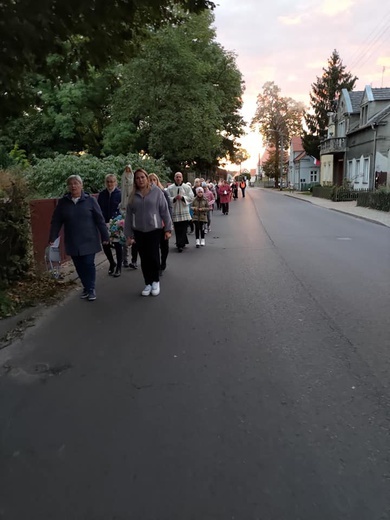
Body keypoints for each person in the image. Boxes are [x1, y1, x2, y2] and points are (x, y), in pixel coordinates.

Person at [49, 175, 109, 301]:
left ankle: (91, 288)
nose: (73, 186)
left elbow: (100, 219)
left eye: (76, 183)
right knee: (79, 266)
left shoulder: (90, 200)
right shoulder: (63, 203)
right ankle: (86, 287)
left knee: (88, 263)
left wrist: (105, 236)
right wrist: (53, 237)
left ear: (81, 185)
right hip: (73, 239)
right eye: (70, 184)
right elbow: (56, 221)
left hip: (89, 239)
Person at [124, 169, 172, 297]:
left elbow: (164, 210)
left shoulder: (157, 192)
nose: (140, 180)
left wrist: (168, 228)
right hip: (139, 231)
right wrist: (128, 234)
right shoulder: (133, 195)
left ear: (146, 178)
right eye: (138, 178)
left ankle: (156, 281)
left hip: (154, 229)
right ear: (135, 180)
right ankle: (148, 282)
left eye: (142, 177)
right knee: (144, 258)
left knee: (153, 256)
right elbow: (128, 216)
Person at [97, 174, 122, 277]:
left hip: (116, 223)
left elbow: (122, 209)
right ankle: (112, 263)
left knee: (117, 245)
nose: (110, 183)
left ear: (115, 182)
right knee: (105, 244)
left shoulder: (120, 194)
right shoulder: (102, 194)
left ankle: (119, 267)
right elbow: (98, 209)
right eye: (108, 181)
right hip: (104, 223)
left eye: (112, 181)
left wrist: (117, 219)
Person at [149, 173, 173, 276]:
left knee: (164, 246)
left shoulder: (163, 192)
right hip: (152, 225)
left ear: (157, 181)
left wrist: (169, 223)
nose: (152, 182)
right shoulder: (146, 194)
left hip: (163, 224)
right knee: (154, 247)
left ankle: (163, 263)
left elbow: (168, 208)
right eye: (150, 180)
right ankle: (157, 266)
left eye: (154, 180)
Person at [166, 172, 194, 252]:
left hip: (184, 210)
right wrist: (174, 198)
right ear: (174, 178)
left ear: (182, 178)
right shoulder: (170, 188)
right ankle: (179, 244)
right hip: (175, 211)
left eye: (180, 177)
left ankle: (181, 243)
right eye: (177, 177)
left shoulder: (187, 187)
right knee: (178, 229)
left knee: (184, 229)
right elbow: (167, 198)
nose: (178, 178)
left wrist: (182, 198)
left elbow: (191, 197)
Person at [120, 164, 138, 269]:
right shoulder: (123, 179)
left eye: (129, 170)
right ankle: (125, 259)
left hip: (133, 210)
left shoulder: (133, 180)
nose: (127, 171)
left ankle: (134, 259)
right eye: (126, 169)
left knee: (135, 237)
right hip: (124, 206)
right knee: (125, 236)